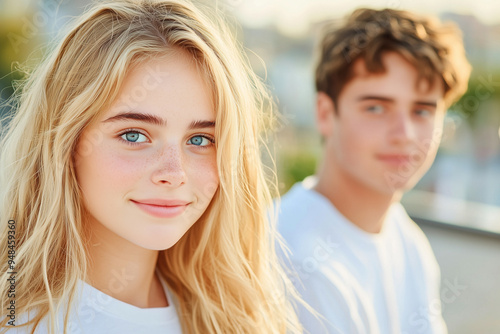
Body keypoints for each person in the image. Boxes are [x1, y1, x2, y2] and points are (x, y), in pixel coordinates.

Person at [0, 0, 303, 333]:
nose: (174, 174)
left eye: (200, 140)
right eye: (133, 134)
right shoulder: (17, 321)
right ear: (66, 143)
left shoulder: (236, 317)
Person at [277, 8, 471, 334]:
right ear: (325, 114)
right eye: (376, 107)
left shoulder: (406, 239)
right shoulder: (290, 260)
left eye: (422, 111)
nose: (405, 133)